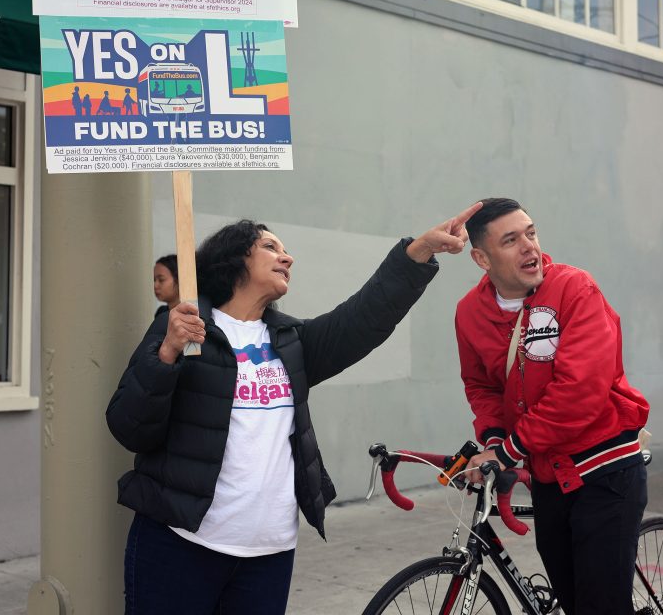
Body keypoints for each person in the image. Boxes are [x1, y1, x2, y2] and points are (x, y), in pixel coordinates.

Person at [107, 203, 482, 615]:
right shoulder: (183, 328)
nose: (287, 257)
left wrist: (418, 253)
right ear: (234, 260)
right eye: (270, 247)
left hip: (269, 553)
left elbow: (363, 318)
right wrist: (166, 354)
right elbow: (130, 425)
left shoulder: (291, 342)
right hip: (181, 542)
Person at [457, 198, 649, 615]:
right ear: (481, 258)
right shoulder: (469, 313)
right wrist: (492, 438)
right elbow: (481, 386)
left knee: (601, 605)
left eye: (531, 232)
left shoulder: (574, 288)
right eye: (510, 240)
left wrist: (508, 451)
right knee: (574, 600)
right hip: (548, 475)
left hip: (606, 471)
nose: (529, 246)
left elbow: (579, 390)